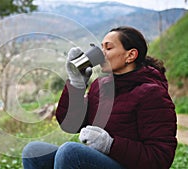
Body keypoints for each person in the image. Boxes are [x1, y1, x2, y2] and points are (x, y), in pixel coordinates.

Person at [22, 26, 177, 169]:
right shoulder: (100, 86)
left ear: (130, 55)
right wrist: (76, 83)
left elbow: (160, 158)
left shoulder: (152, 93)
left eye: (108, 48)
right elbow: (70, 125)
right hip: (100, 161)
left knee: (70, 152)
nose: (101, 53)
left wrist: (110, 145)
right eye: (101, 47)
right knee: (34, 151)